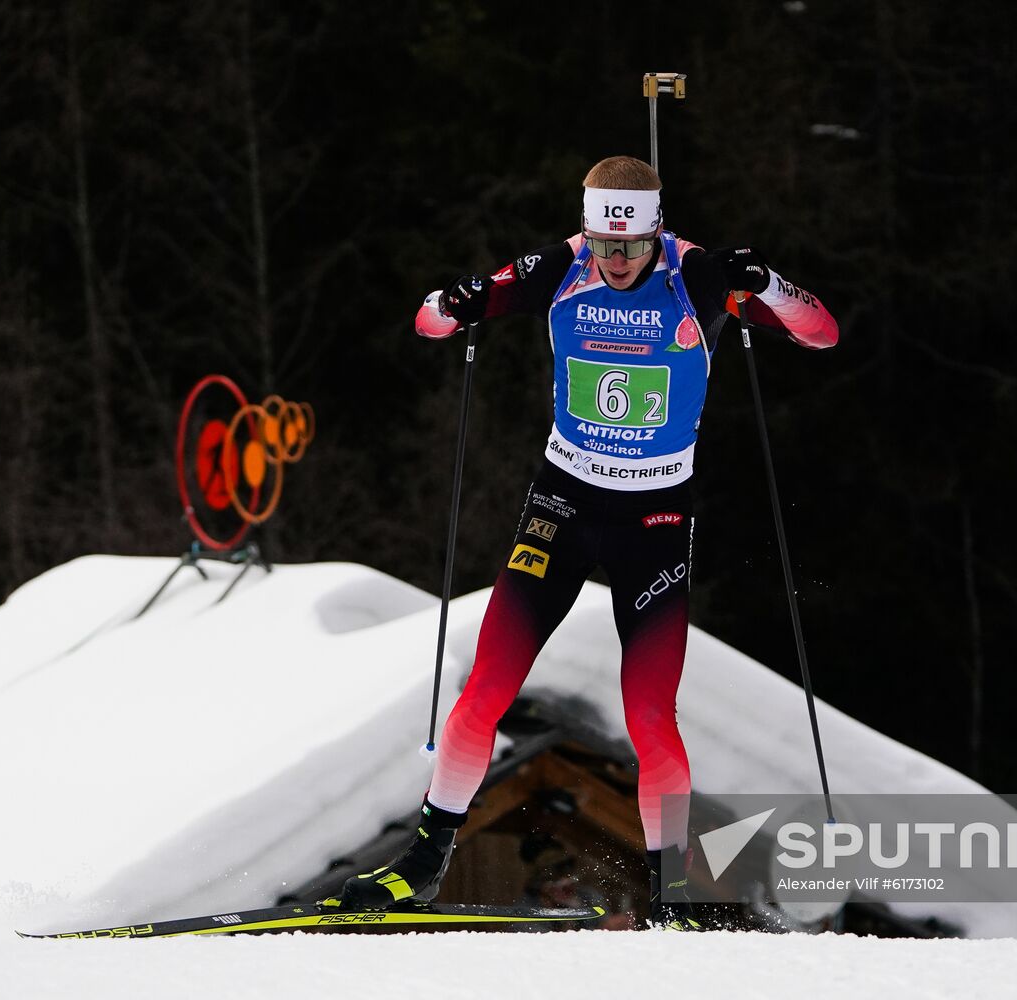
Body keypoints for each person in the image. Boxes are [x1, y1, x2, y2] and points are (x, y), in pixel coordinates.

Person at [340, 155, 838, 929]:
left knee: (650, 719)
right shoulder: (559, 267)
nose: (615, 263)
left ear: (655, 231)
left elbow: (821, 333)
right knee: (483, 695)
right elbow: (430, 322)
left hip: (655, 520)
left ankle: (671, 894)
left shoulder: (700, 276)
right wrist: (455, 300)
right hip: (563, 504)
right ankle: (424, 864)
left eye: (631, 248)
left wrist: (766, 282)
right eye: (604, 247)